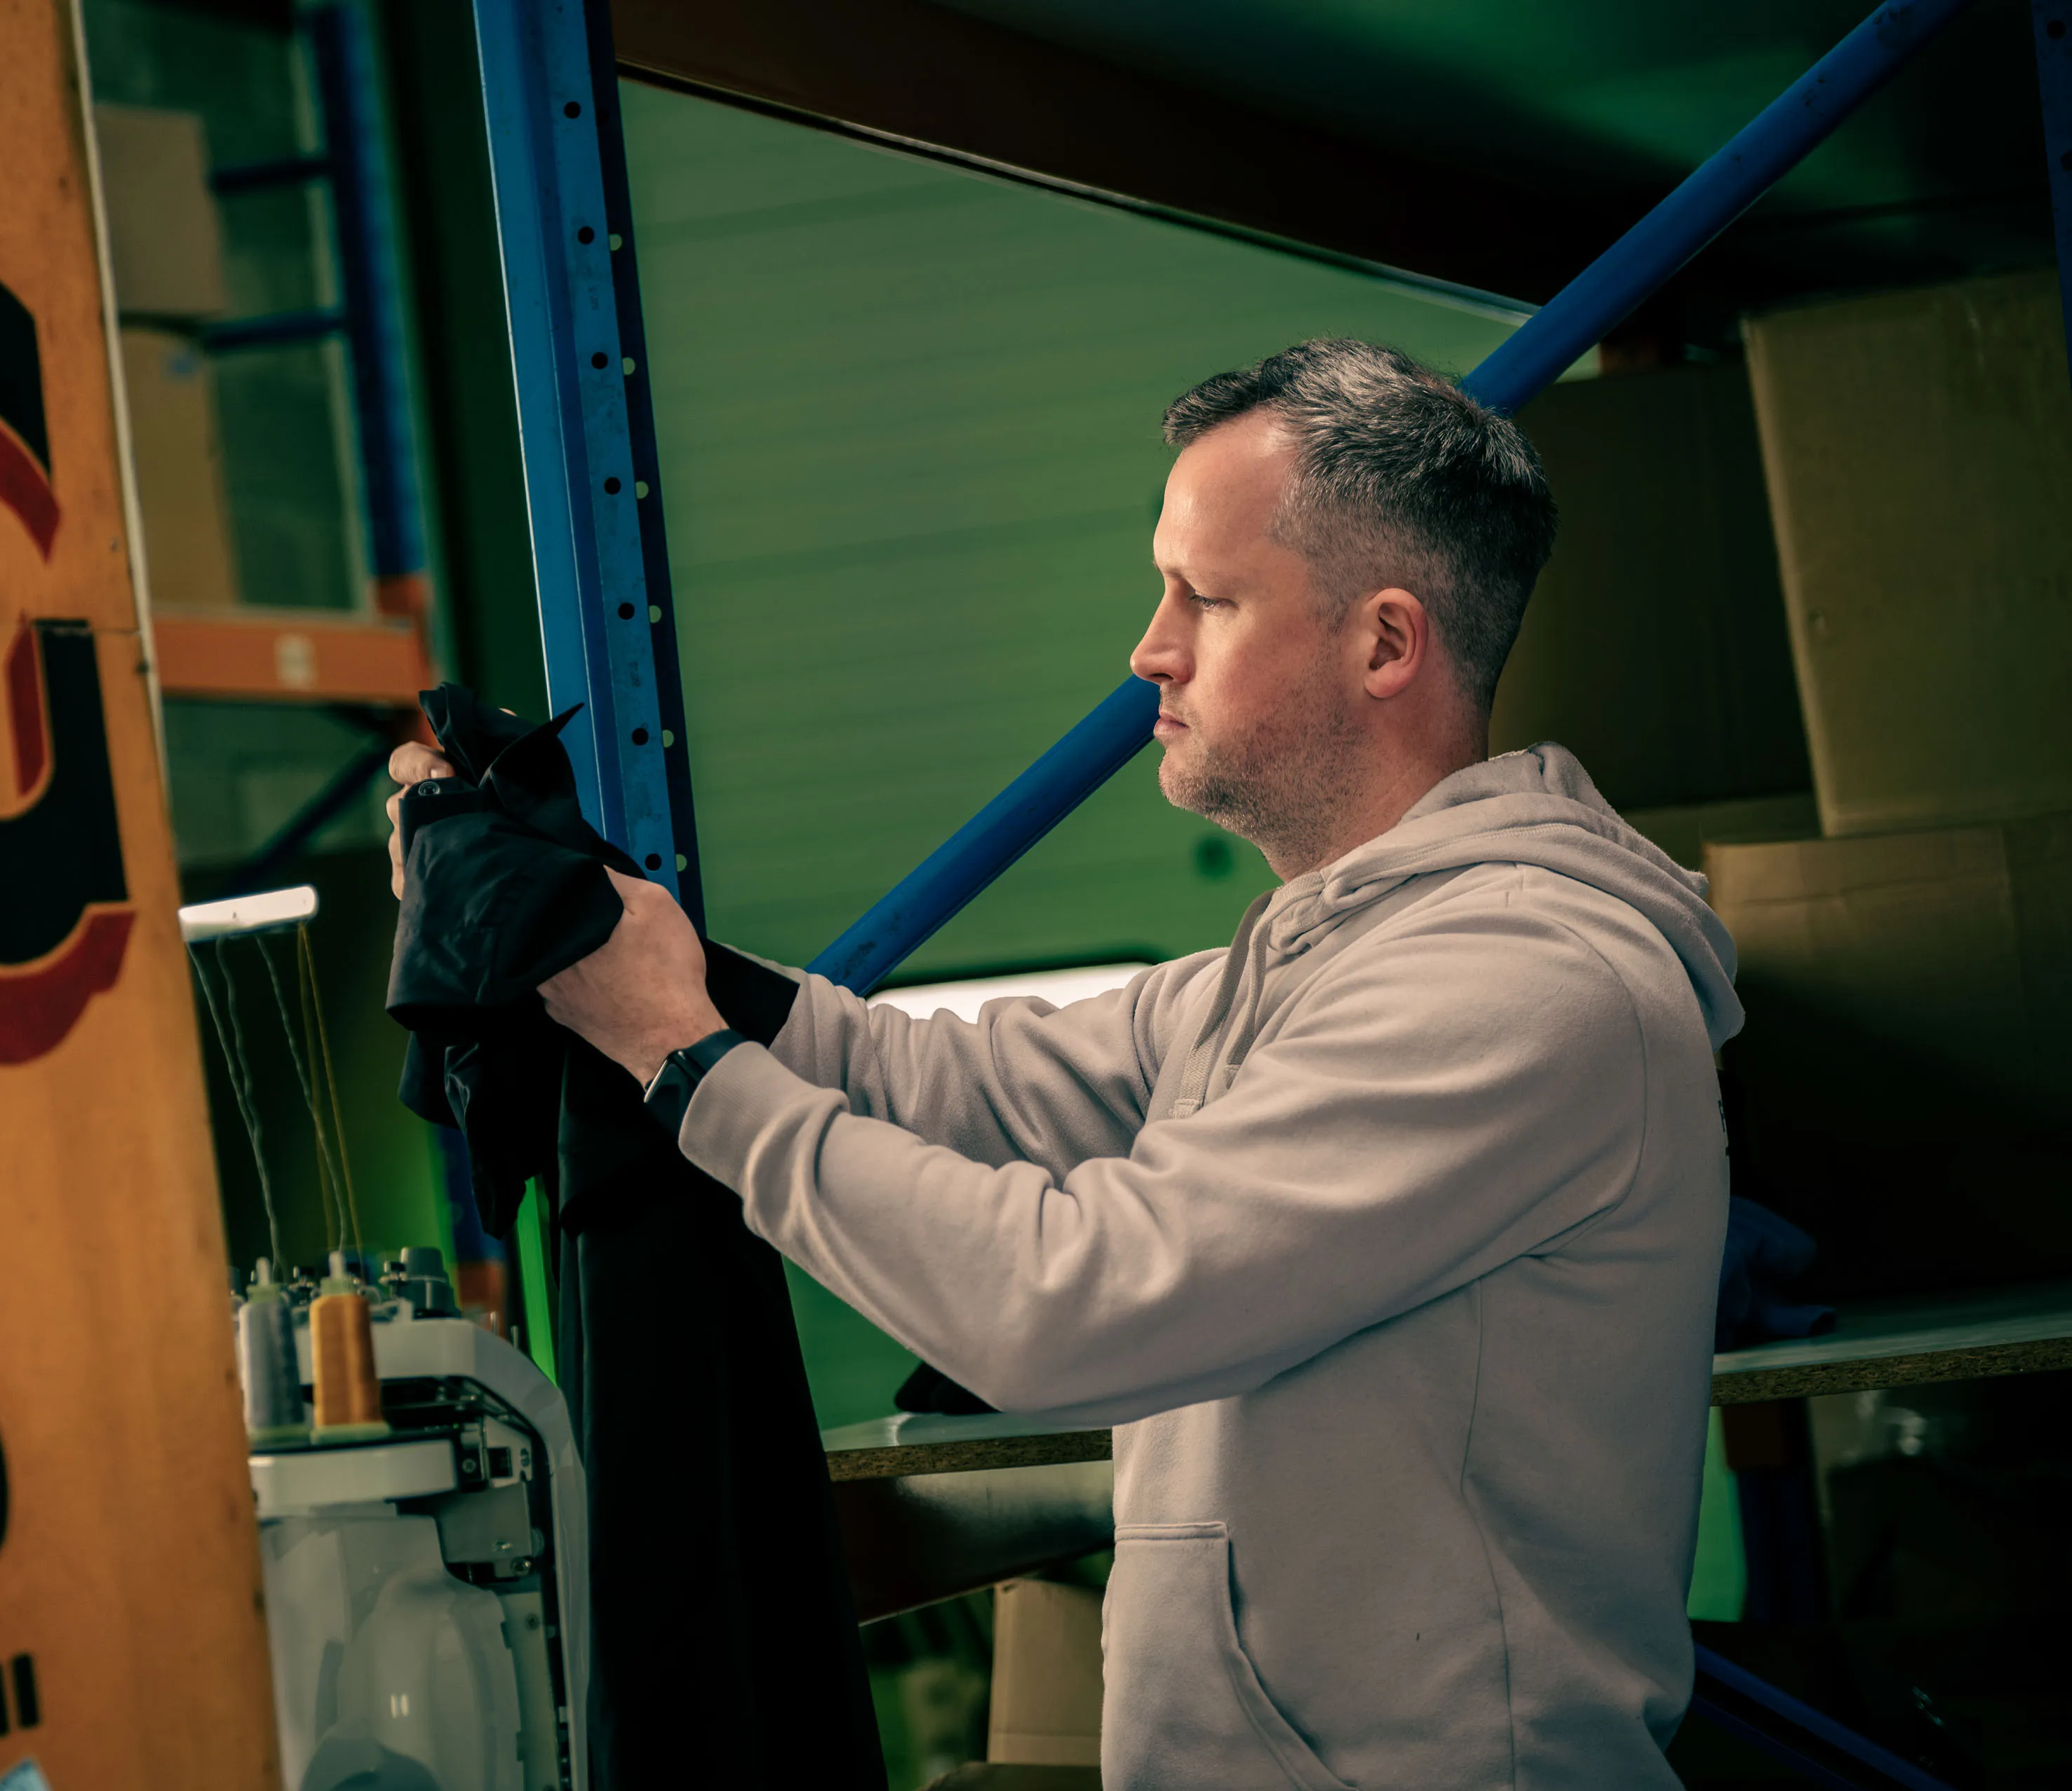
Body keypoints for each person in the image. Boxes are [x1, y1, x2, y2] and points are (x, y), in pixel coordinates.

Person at [389, 339, 1740, 1789]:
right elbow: (947, 1081)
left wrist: (683, 1058)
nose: (1149, 648)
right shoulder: (1293, 968)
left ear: (1386, 643)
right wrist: (619, 936)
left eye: (1205, 599)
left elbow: (1073, 1299)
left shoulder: (1517, 984)